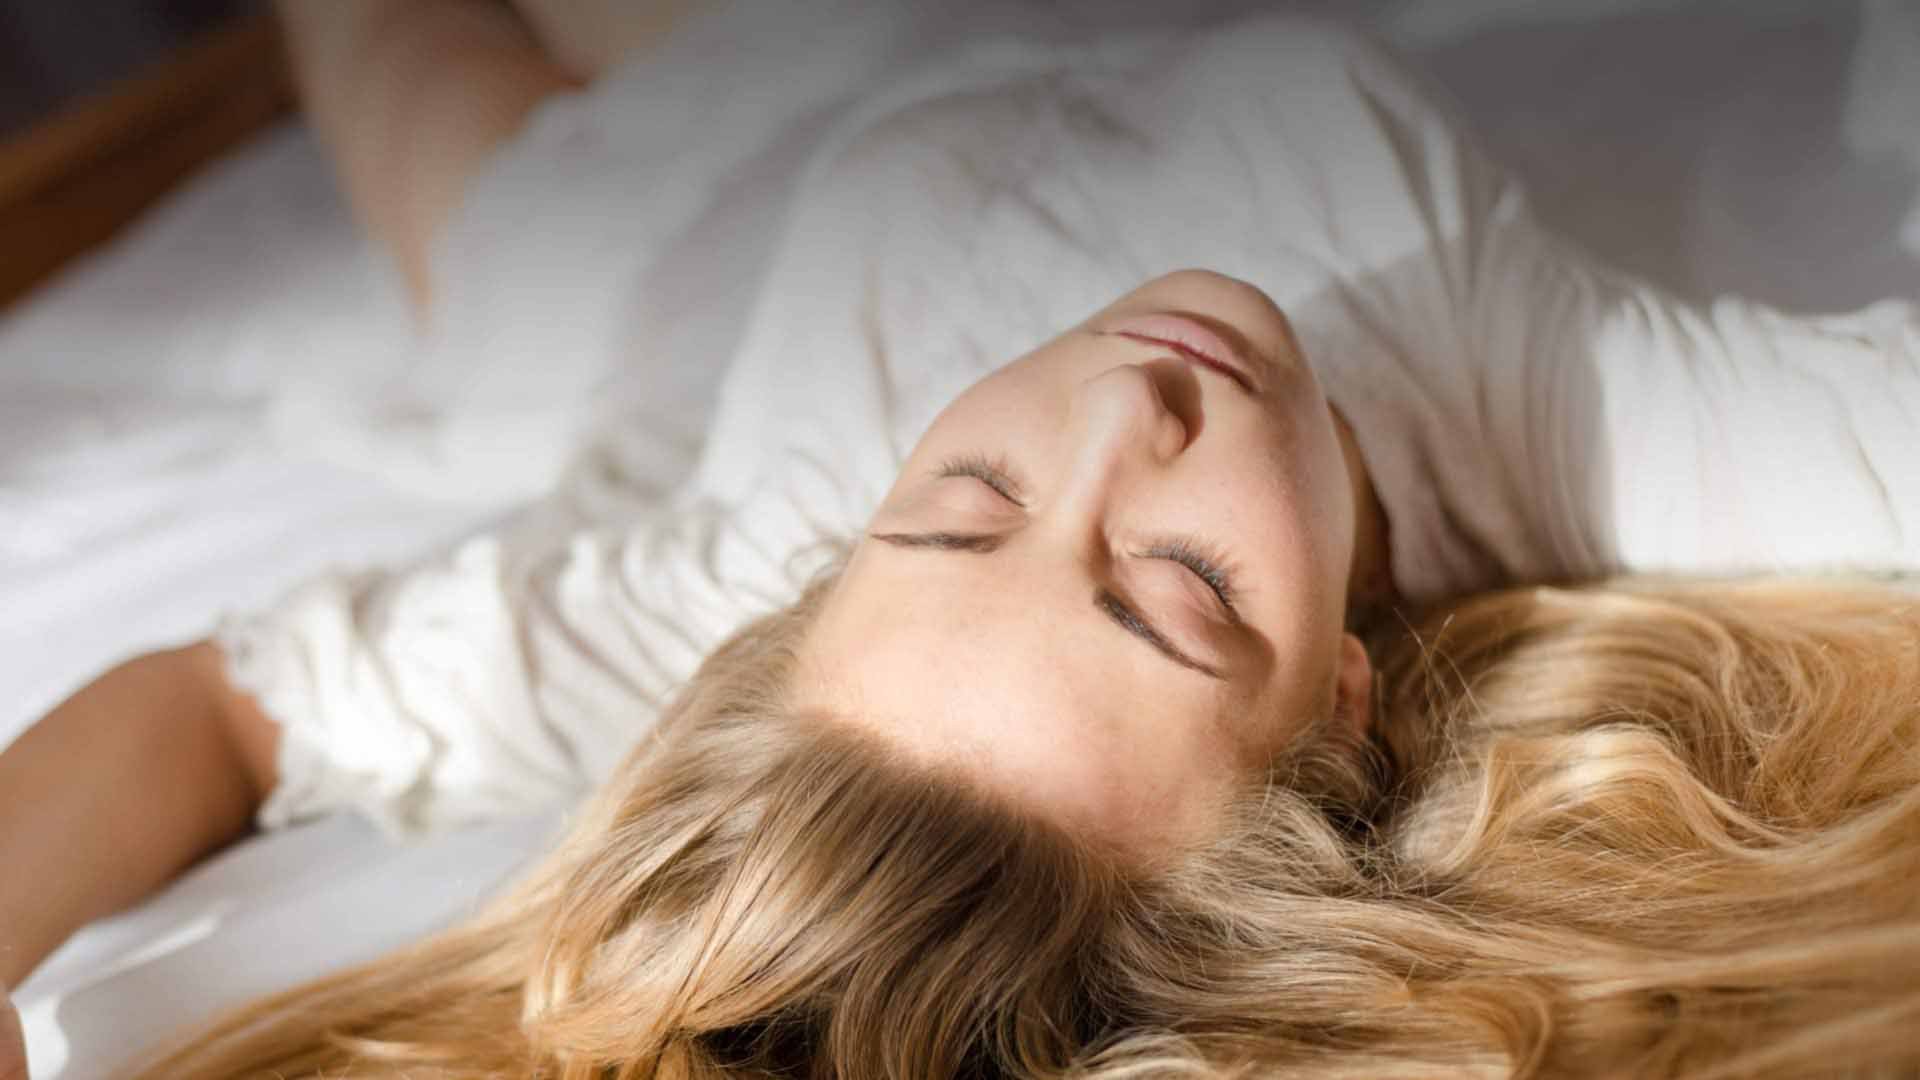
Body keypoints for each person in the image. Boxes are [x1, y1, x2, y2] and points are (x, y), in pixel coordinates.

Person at [3, 1, 1917, 1076]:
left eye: (961, 508)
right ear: (1341, 697)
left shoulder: (737, 593)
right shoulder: (1557, 406)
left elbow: (225, 704)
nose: (1111, 409)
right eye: (1180, 589)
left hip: (636, 242)